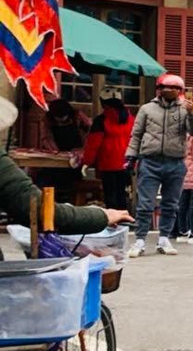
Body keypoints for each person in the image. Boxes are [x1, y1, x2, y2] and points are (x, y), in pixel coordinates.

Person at [0, 98, 130, 256]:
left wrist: (83, 153)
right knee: (117, 193)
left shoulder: (82, 117)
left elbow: (91, 137)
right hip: (120, 162)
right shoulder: (126, 118)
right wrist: (100, 216)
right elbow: (33, 206)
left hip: (104, 161)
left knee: (110, 191)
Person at [126, 72, 193, 257]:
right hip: (150, 161)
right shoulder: (146, 109)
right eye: (167, 88)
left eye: (176, 89)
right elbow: (136, 135)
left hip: (176, 162)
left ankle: (164, 239)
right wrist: (130, 156)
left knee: (171, 204)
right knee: (145, 204)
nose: (171, 91)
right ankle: (140, 240)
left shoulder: (186, 109)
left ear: (181, 91)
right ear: (159, 90)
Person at [83, 92, 134, 210]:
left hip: (108, 163)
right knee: (122, 193)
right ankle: (124, 220)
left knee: (110, 194)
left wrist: (86, 161)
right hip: (127, 162)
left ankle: (113, 223)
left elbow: (93, 144)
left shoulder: (101, 120)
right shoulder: (132, 119)